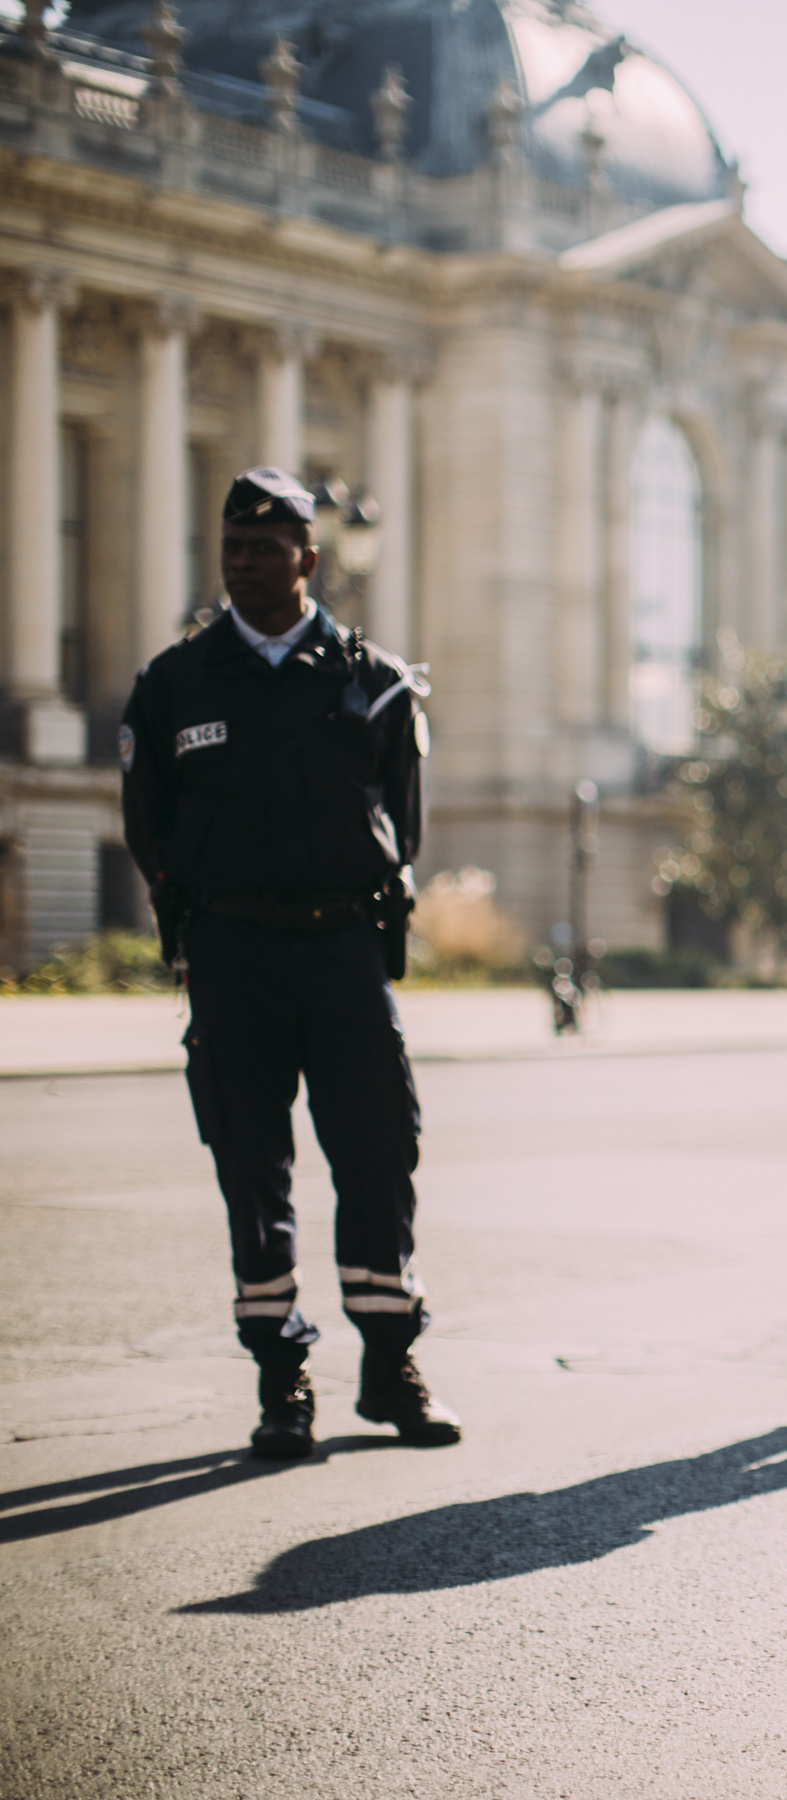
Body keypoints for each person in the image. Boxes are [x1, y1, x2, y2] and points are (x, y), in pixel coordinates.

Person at [117, 467, 456, 1461]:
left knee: (378, 1154)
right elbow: (151, 828)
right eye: (233, 548)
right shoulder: (173, 682)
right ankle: (282, 1378)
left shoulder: (374, 681)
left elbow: (406, 819)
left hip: (345, 946)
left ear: (309, 558)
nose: (245, 563)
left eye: (267, 548)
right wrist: (202, 916)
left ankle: (390, 1366)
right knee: (251, 1166)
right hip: (232, 950)